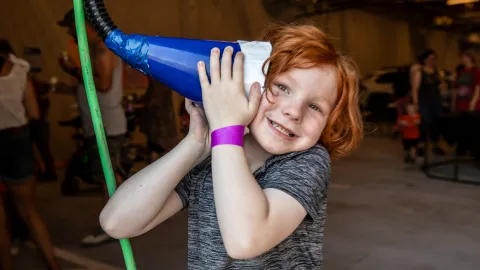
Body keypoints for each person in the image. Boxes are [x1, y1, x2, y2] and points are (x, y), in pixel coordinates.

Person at [99, 24, 363, 269]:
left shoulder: (307, 161)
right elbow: (117, 222)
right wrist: (196, 144)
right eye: (281, 87)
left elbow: (245, 241)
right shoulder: (214, 155)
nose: (294, 111)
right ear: (246, 84)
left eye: (315, 106)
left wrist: (226, 131)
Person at [57, 8, 127, 247]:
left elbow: (104, 85)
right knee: (109, 176)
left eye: (72, 28)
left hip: (105, 125)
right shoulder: (97, 49)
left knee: (109, 178)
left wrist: (73, 71)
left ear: (86, 24)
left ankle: (115, 225)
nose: (71, 35)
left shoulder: (102, 49)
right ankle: (121, 220)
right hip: (101, 125)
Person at [0, 39, 61, 270]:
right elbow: (34, 113)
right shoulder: (20, 71)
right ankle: (53, 265)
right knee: (29, 212)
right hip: (17, 141)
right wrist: (38, 154)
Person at [410, 49, 445, 156]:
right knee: (423, 123)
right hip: (424, 102)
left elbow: (441, 85)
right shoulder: (420, 71)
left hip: (436, 101)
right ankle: (420, 146)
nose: (432, 61)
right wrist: (416, 103)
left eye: (434, 59)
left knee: (437, 123)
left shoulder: (436, 72)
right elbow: (415, 88)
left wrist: (442, 86)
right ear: (424, 59)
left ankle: (435, 145)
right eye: (429, 59)